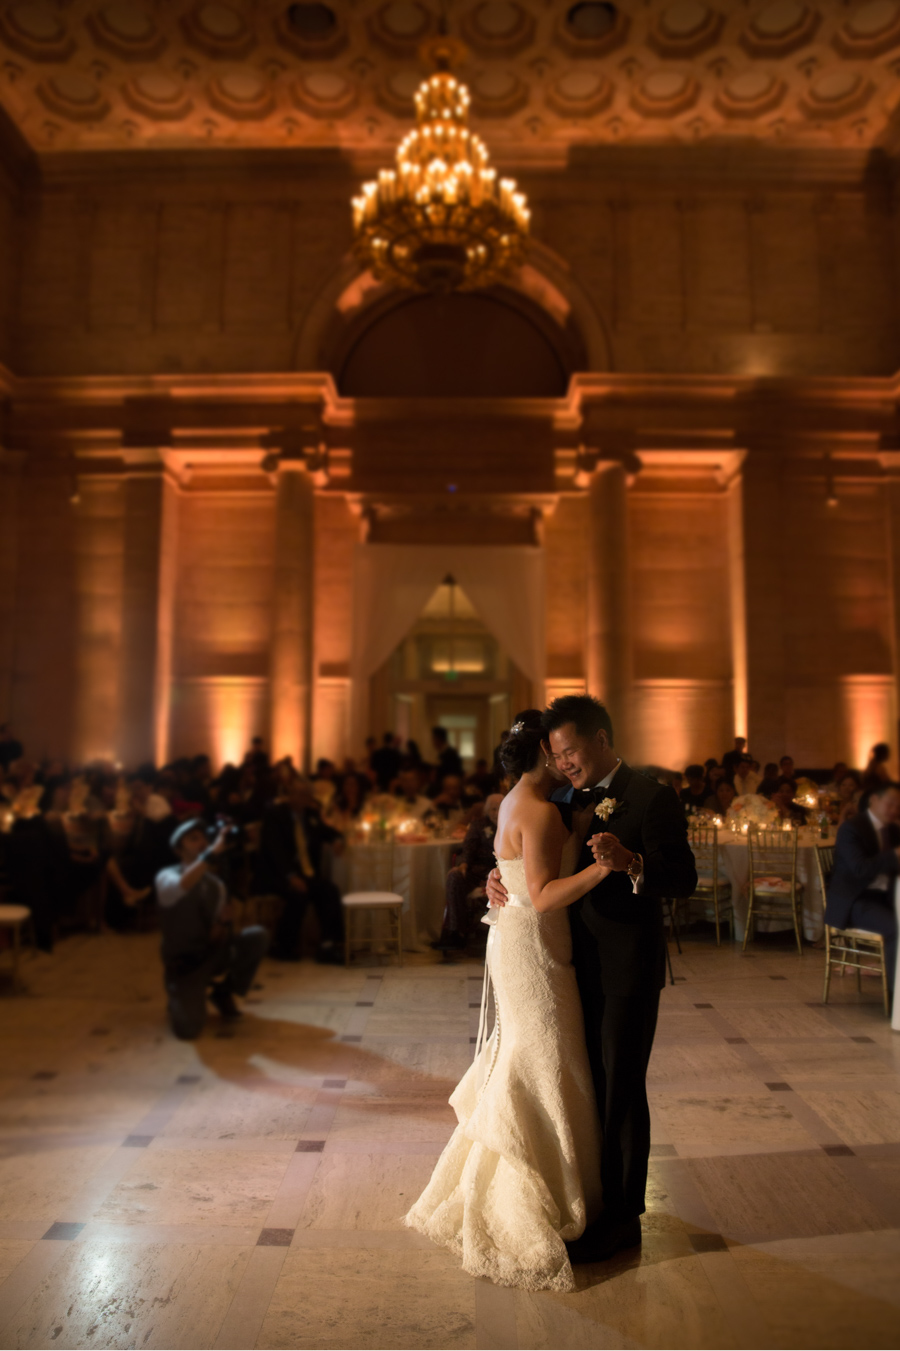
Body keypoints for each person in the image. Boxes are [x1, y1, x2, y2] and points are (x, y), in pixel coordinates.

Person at [487, 694, 697, 1264]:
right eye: (556, 754)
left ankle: (624, 1217)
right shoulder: (563, 796)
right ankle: (590, 1200)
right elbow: (533, 855)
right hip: (566, 963)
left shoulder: (651, 796)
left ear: (600, 739)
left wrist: (631, 863)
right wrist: (496, 873)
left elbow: (683, 879)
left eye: (571, 750)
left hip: (627, 967)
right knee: (586, 1083)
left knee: (621, 1087)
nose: (565, 763)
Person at [406, 711, 609, 1291]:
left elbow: (514, 869)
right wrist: (600, 868)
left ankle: (528, 1175)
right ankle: (537, 1194)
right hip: (534, 947)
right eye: (557, 751)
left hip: (514, 937)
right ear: (544, 754)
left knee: (532, 1056)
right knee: (543, 1059)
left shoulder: (512, 802)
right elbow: (544, 897)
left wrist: (503, 876)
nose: (565, 759)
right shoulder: (541, 811)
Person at [156, 819, 269, 1040]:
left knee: (257, 937)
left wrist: (223, 924)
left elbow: (215, 936)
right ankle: (178, 992)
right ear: (178, 850)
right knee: (189, 1030)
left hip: (210, 955)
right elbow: (183, 885)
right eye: (193, 839)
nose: (202, 843)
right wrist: (213, 851)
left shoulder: (215, 884)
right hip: (184, 964)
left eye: (203, 838)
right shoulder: (166, 877)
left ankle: (223, 992)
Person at [254, 776, 344, 963]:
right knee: (298, 893)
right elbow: (274, 850)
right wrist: (290, 876)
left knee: (329, 890)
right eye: (296, 793)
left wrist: (337, 840)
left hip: (306, 873)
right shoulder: (275, 815)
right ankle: (284, 945)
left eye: (305, 794)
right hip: (277, 874)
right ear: (289, 794)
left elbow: (329, 832)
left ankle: (328, 944)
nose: (300, 798)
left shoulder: (311, 815)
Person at [826, 780, 900, 992]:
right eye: (891, 803)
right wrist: (894, 855)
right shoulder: (851, 829)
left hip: (887, 897)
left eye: (899, 805)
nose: (895, 810)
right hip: (856, 900)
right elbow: (860, 869)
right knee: (896, 929)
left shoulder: (893, 831)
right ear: (874, 800)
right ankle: (897, 1001)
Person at [433, 792, 503, 950]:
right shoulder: (478, 825)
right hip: (476, 871)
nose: (496, 813)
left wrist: (494, 876)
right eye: (492, 809)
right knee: (454, 877)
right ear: (486, 811)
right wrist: (463, 864)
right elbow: (468, 848)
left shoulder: (509, 824)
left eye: (499, 809)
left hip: (500, 874)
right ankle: (456, 932)